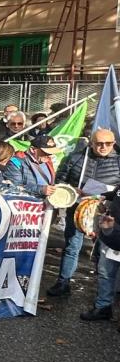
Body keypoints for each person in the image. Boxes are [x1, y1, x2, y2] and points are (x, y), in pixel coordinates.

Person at [48, 128, 120, 298]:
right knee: (72, 245)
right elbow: (60, 180)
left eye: (108, 144)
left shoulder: (118, 162)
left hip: (106, 211)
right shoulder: (76, 158)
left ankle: (104, 295)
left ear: (114, 143)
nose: (103, 147)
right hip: (78, 209)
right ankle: (63, 282)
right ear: (91, 142)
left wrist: (107, 196)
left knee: (104, 253)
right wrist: (71, 189)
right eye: (99, 143)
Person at [79, 193, 120, 321]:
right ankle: (103, 307)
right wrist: (102, 196)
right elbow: (115, 194)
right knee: (105, 272)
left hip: (113, 231)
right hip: (111, 234)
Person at [3, 134, 60, 199]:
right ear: (32, 149)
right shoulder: (16, 162)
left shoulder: (47, 161)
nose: (49, 155)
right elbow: (13, 186)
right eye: (45, 152)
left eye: (51, 153)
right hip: (27, 203)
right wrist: (41, 189)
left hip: (46, 202)